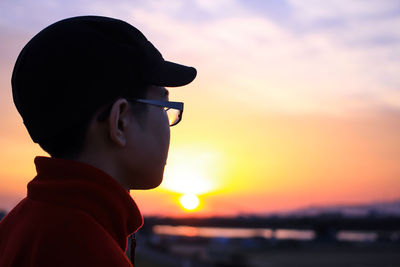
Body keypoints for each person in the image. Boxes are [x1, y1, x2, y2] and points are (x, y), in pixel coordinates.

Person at [0, 15, 196, 266]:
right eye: (164, 106)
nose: (169, 126)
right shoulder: (90, 252)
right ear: (120, 121)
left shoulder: (16, 228)